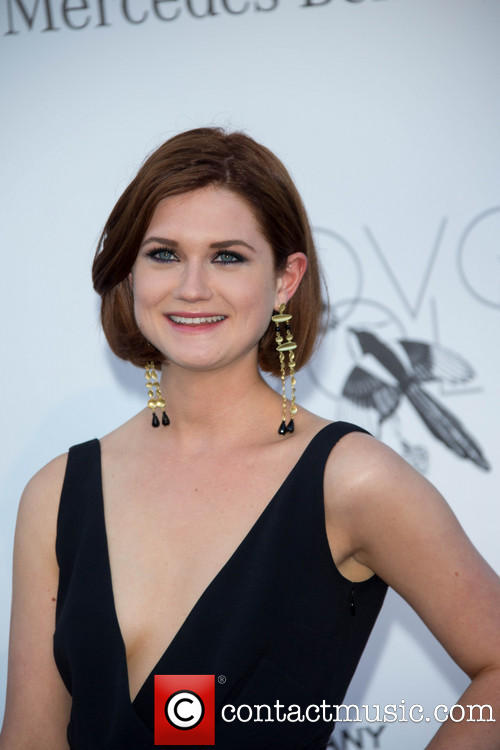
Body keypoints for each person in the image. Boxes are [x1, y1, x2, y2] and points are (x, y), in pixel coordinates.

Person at [1, 127, 499, 750]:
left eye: (228, 257)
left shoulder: (350, 482)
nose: (192, 287)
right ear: (129, 272)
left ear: (286, 279)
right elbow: (30, 736)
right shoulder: (56, 494)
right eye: (164, 254)